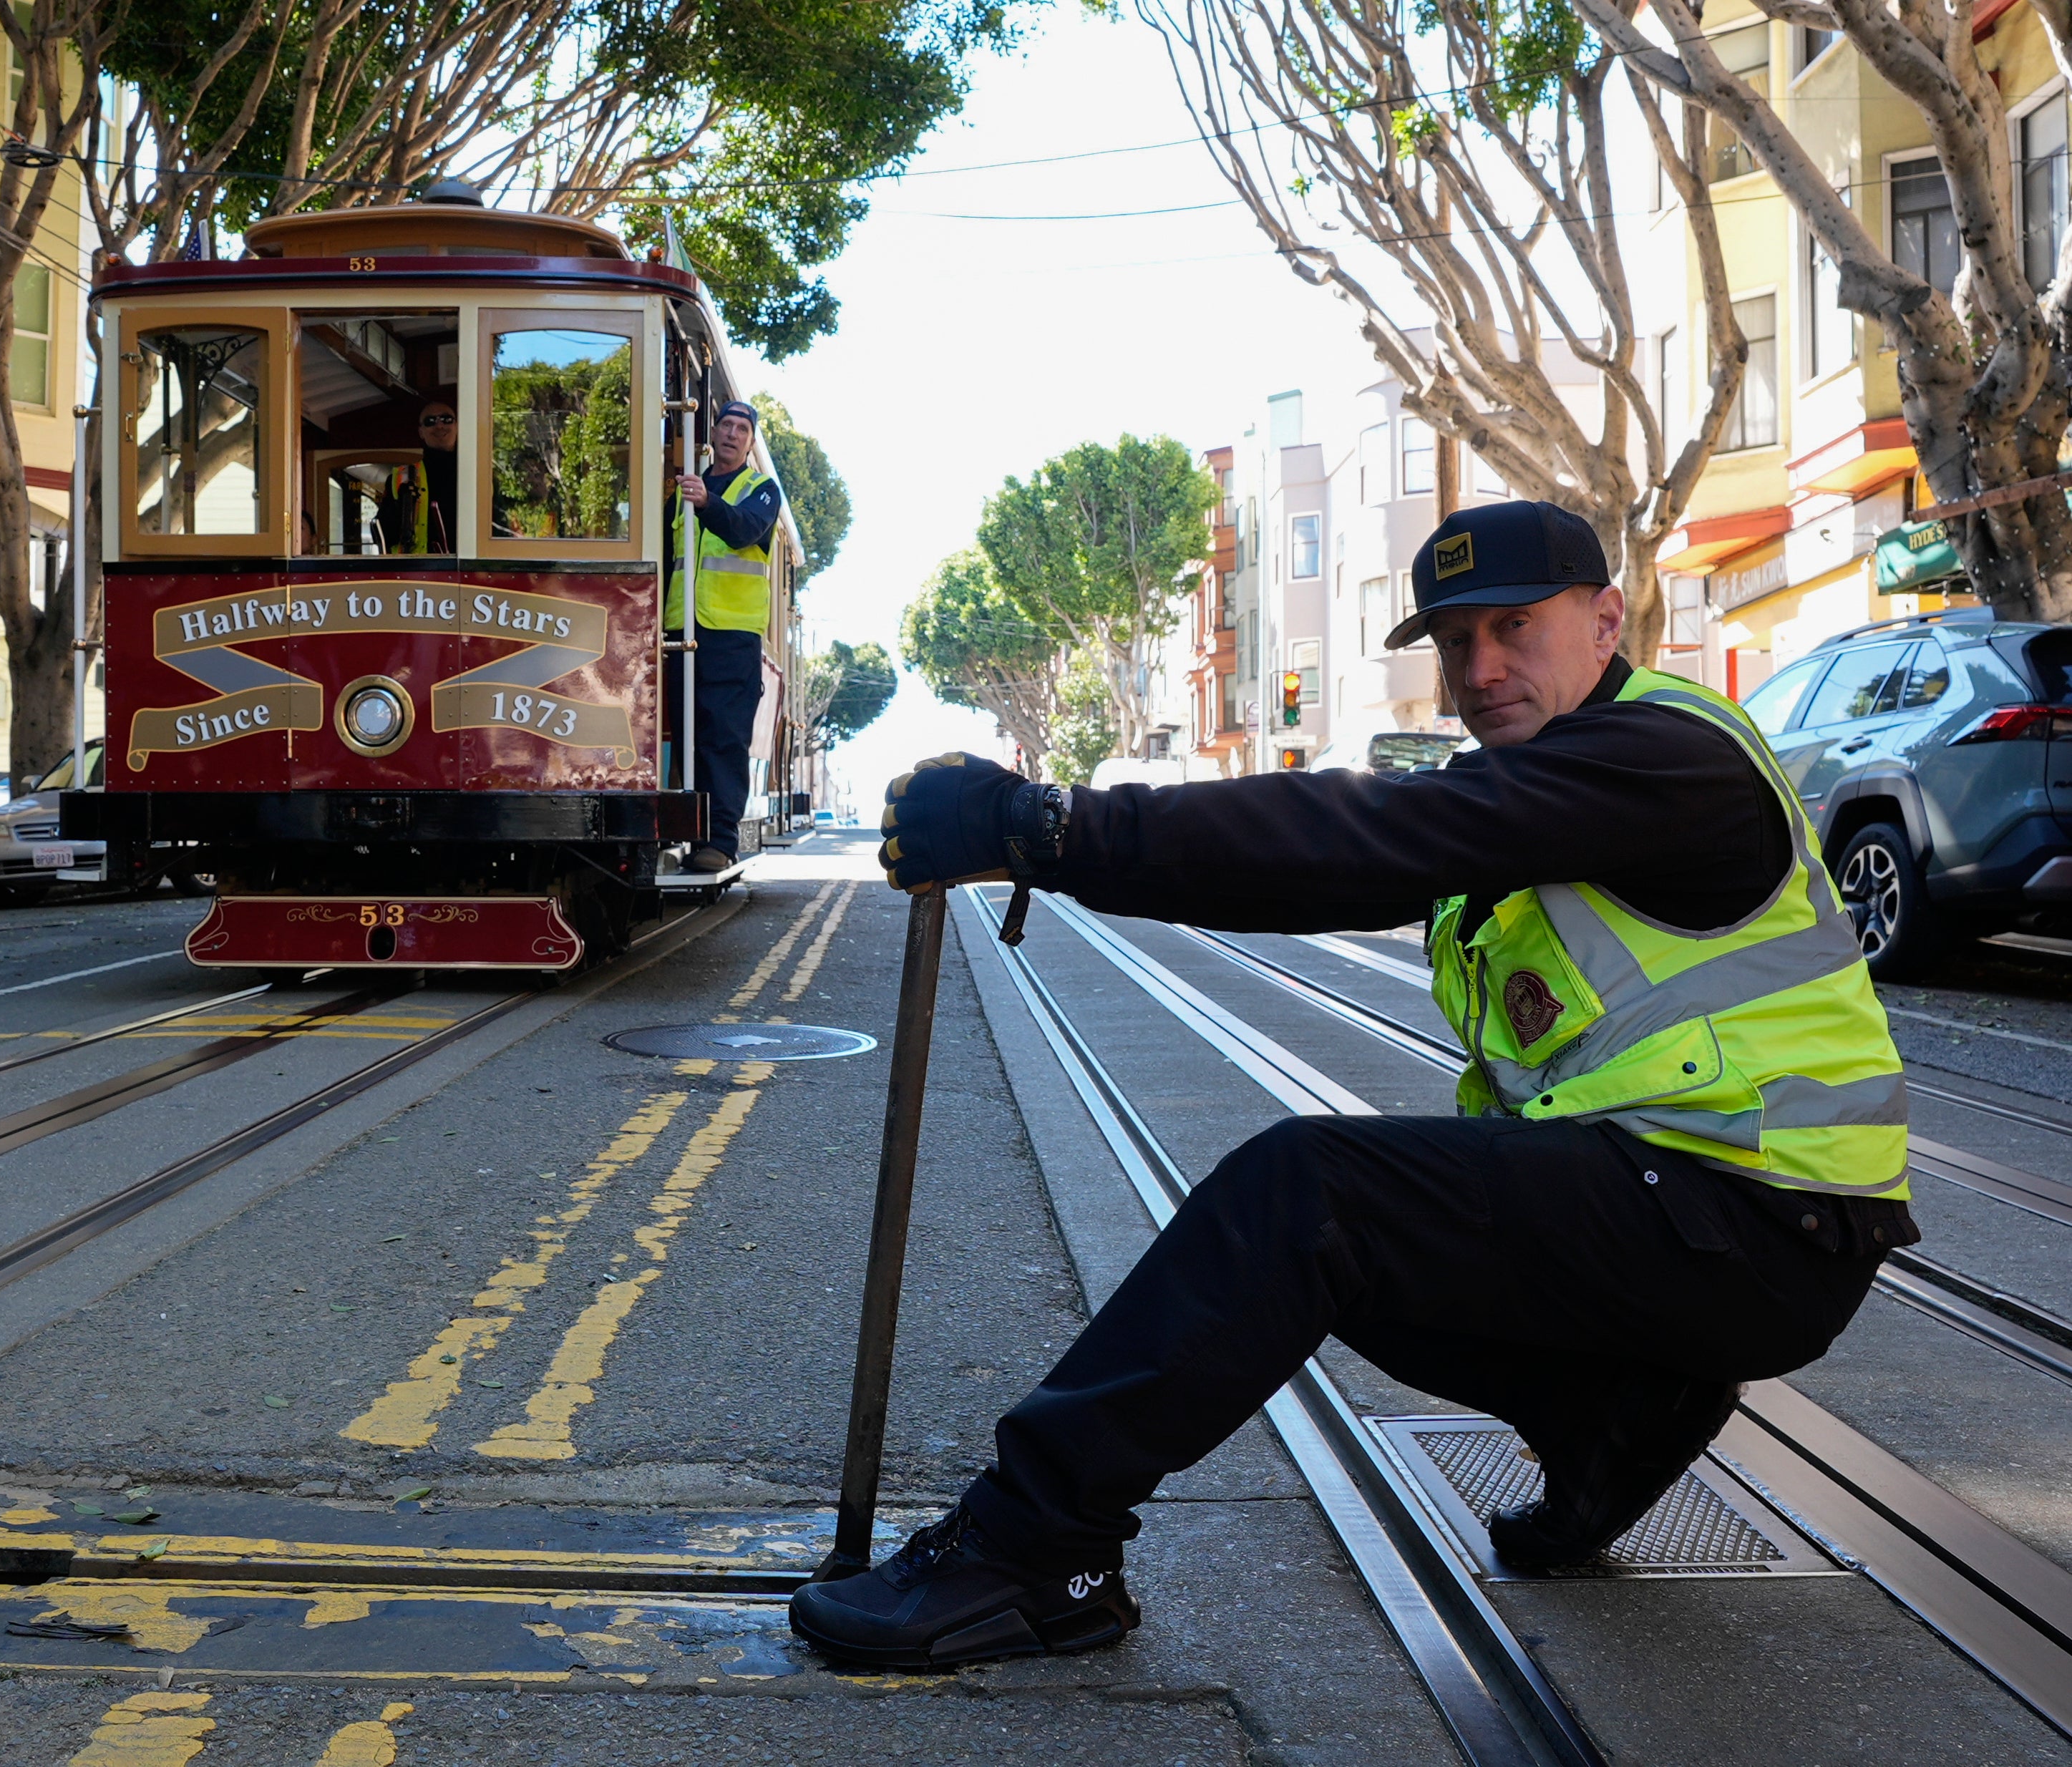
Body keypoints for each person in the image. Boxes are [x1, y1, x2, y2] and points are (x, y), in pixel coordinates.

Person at [791, 499, 1916, 1670]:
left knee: (1307, 1194)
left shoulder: (1662, 756)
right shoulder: (1543, 788)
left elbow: (1363, 834)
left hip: (1750, 1212)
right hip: (1709, 1222)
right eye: (1453, 641)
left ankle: (1033, 1548)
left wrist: (1048, 827)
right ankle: (1615, 1419)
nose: (1478, 670)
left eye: (1514, 627)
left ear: (1603, 620)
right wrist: (1052, 845)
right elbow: (1312, 865)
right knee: (1357, 1248)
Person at [666, 399, 782, 872]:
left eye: (742, 429)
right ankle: (688, 836)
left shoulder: (761, 491)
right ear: (712, 433)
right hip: (682, 631)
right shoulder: (682, 492)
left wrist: (707, 503)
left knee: (724, 739)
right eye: (726, 425)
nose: (732, 434)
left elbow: (743, 531)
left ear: (750, 443)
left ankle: (720, 841)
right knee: (686, 737)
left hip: (732, 636)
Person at [378, 399, 457, 555]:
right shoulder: (402, 478)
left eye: (446, 419)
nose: (439, 426)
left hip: (471, 566)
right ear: (421, 432)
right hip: (419, 567)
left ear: (457, 426)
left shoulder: (479, 475)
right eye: (430, 421)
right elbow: (383, 535)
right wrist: (400, 508)